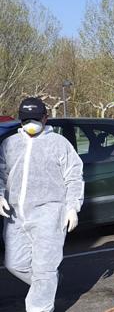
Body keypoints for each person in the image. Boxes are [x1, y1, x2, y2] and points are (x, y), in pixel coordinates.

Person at [0, 97, 84, 312]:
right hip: (15, 215)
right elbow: (0, 173)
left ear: (45, 118)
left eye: (36, 119)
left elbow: (73, 176)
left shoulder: (58, 144)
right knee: (15, 263)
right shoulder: (9, 144)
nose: (31, 123)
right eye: (26, 119)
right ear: (20, 119)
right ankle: (49, 281)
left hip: (49, 213)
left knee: (44, 269)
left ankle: (40, 304)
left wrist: (72, 207)